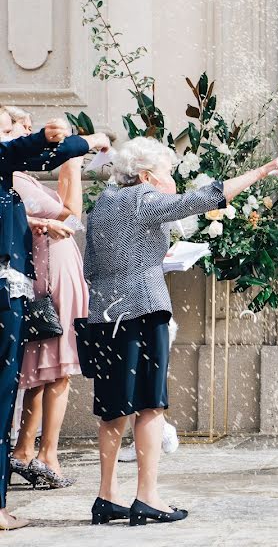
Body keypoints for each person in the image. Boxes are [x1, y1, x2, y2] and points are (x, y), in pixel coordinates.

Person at [84, 137, 278, 526]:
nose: (171, 179)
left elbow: (94, 265)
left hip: (103, 316)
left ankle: (106, 497)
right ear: (145, 175)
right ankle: (147, 497)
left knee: (112, 409)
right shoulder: (143, 199)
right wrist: (263, 171)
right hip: (143, 312)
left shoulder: (102, 206)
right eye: (166, 172)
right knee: (151, 405)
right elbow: (206, 198)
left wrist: (145, 263)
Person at [0, 120, 106, 530]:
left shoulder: (19, 175)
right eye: (16, 123)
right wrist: (76, 156)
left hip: (47, 271)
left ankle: (35, 451)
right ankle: (37, 452)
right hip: (43, 276)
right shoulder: (16, 174)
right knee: (48, 370)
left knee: (48, 372)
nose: (25, 127)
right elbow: (71, 213)